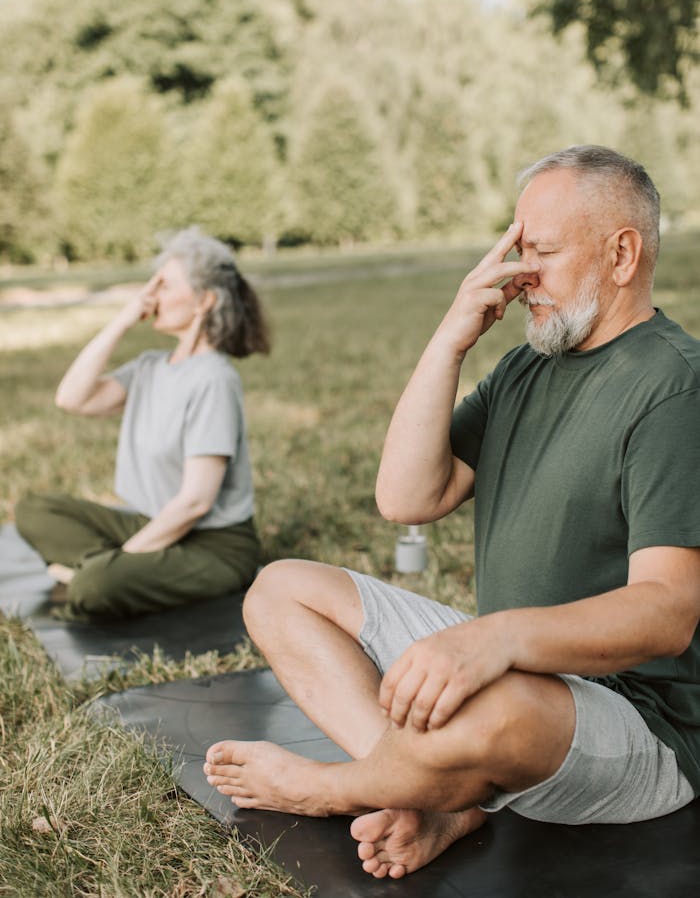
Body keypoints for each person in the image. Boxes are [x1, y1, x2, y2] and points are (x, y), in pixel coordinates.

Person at [202, 145, 700, 879]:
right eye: (514, 249)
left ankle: (338, 788)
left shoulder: (674, 385)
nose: (519, 274)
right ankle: (434, 797)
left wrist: (494, 641)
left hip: (640, 726)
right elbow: (407, 497)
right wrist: (452, 335)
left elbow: (667, 612)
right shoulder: (530, 365)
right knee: (282, 591)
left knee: (498, 708)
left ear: (622, 254)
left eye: (542, 252)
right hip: (510, 672)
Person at [15, 227, 270, 620]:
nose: (151, 296)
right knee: (35, 509)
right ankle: (116, 568)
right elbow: (72, 398)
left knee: (93, 586)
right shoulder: (151, 366)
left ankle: (100, 571)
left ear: (204, 301)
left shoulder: (214, 380)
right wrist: (122, 319)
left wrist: (121, 560)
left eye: (165, 286)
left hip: (213, 546)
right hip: (148, 521)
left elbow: (195, 502)